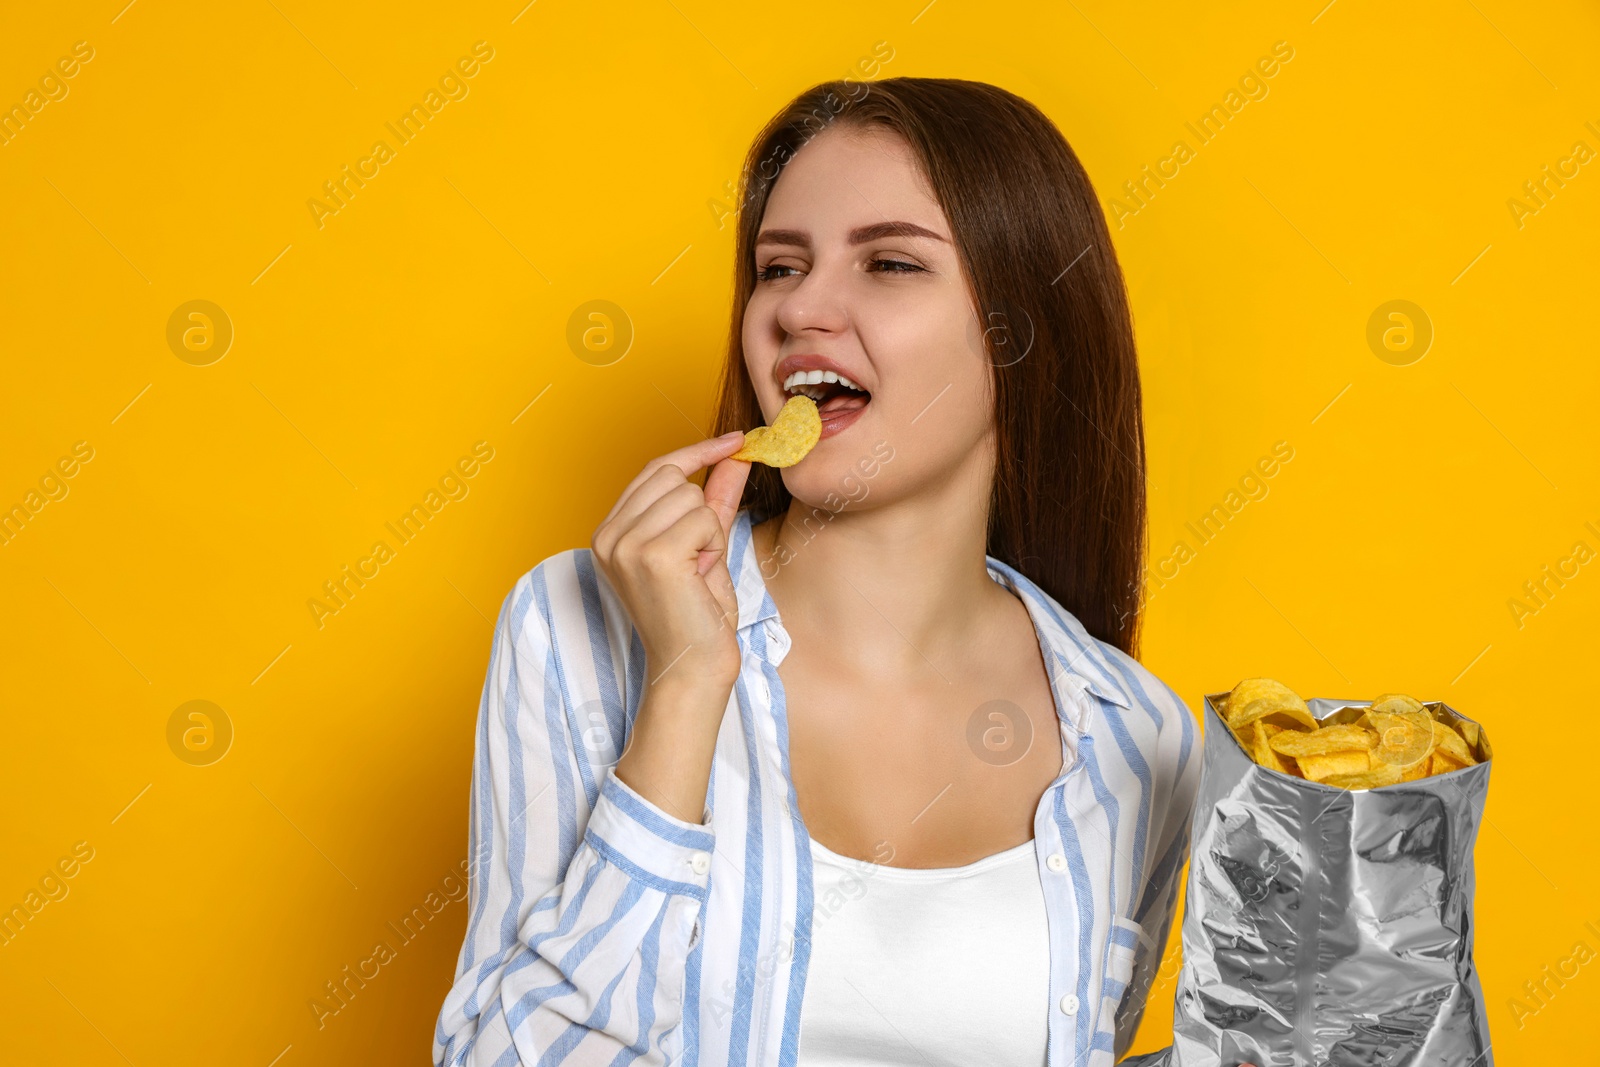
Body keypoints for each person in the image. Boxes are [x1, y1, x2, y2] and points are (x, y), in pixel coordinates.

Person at [433, 77, 1201, 1067]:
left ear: (1021, 331)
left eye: (888, 262)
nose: (800, 306)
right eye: (777, 266)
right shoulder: (575, 628)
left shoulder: (1140, 736)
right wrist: (682, 685)